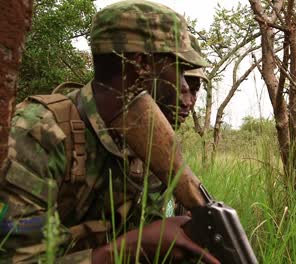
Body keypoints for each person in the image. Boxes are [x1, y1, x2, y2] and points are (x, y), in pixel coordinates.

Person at [0, 1, 218, 263]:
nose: (185, 89)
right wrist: (126, 250)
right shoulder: (39, 134)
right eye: (179, 70)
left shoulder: (152, 144)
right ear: (141, 63)